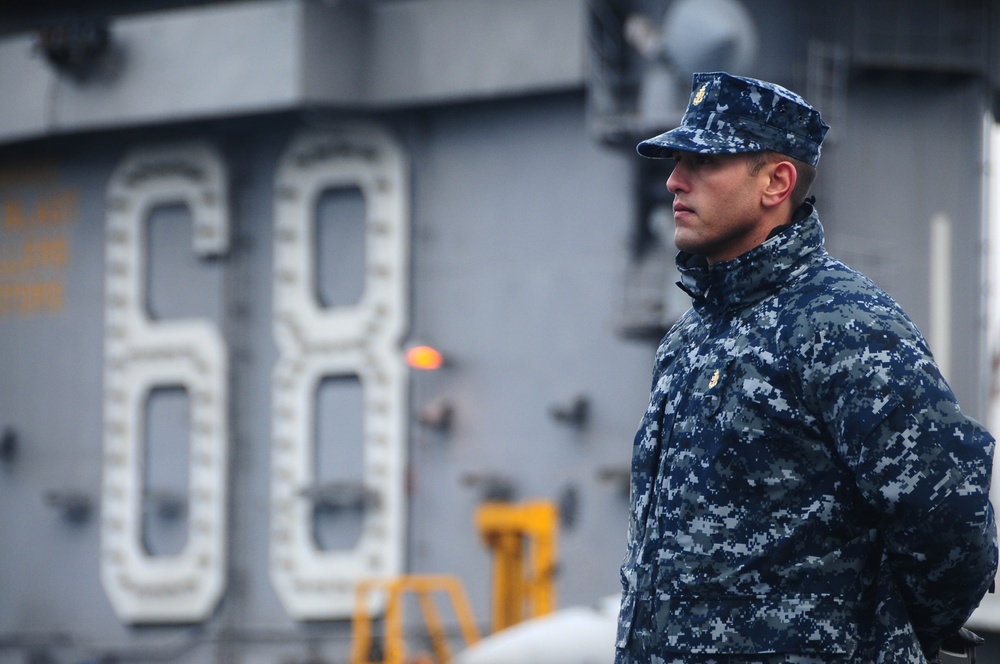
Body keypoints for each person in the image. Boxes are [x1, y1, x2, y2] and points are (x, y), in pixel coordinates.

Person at [615, 71, 998, 663]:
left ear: (776, 182)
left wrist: (881, 640)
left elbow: (948, 518)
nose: (673, 181)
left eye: (703, 162)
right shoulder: (688, 341)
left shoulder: (844, 324)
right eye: (675, 162)